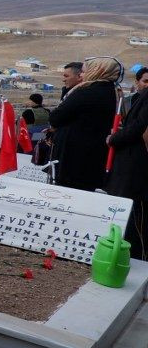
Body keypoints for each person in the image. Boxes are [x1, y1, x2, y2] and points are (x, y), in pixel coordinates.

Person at [50, 57, 119, 192]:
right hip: (91, 159)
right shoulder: (109, 90)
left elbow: (56, 117)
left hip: (74, 161)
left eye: (84, 72)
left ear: (98, 70)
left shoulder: (88, 91)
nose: (81, 75)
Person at [107, 65, 148, 259]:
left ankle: (134, 254)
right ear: (137, 82)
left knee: (135, 211)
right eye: (146, 81)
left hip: (137, 164)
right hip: (130, 161)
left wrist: (114, 139)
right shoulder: (137, 99)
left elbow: (138, 127)